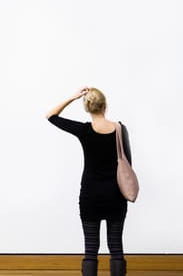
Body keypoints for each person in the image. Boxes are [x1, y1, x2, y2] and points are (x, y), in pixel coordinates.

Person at [46, 87, 131, 276]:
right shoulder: (120, 129)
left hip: (90, 196)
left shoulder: (83, 130)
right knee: (116, 246)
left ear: (87, 108)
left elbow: (51, 116)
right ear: (105, 106)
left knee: (90, 249)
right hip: (115, 196)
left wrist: (73, 97)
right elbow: (128, 164)